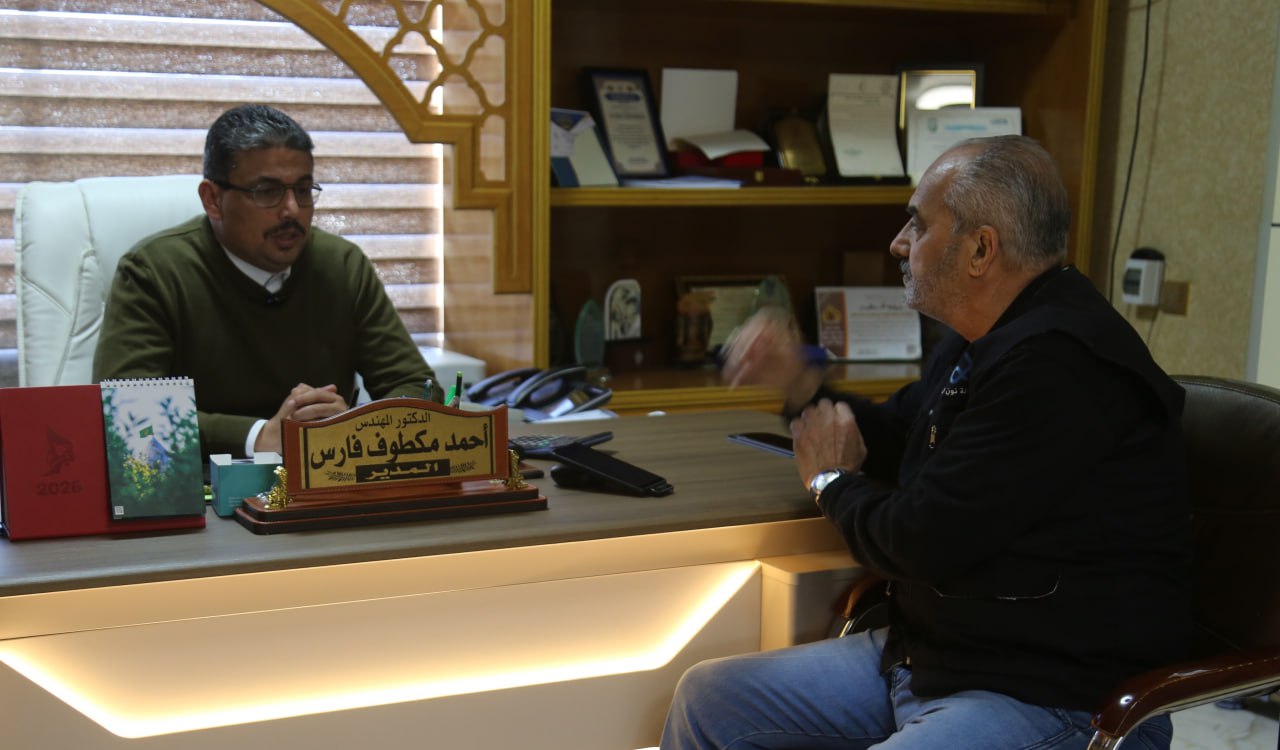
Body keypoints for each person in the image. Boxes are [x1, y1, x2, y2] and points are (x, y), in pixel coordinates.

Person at [661, 135, 1191, 750]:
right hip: (935, 658)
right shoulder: (988, 336)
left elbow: (919, 539)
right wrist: (801, 385)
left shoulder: (1060, 364)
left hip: (1054, 697)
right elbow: (902, 435)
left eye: (918, 223)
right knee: (711, 699)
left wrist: (832, 483)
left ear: (980, 249)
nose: (898, 242)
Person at [93, 104, 438, 459]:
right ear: (213, 200)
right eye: (267, 192)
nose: (292, 210)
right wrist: (259, 436)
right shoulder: (153, 272)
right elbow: (128, 416)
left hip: (324, 476)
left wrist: (357, 426)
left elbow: (416, 387)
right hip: (203, 484)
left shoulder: (342, 265)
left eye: (303, 190)